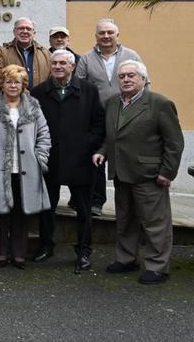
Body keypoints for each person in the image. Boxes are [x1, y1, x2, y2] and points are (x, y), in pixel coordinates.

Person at [93, 60, 183, 285]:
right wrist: (103, 151)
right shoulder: (113, 102)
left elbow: (174, 142)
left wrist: (168, 172)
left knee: (155, 222)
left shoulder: (159, 103)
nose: (125, 79)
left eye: (131, 76)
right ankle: (126, 258)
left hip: (149, 174)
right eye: (122, 76)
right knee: (125, 219)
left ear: (143, 79)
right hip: (121, 172)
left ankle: (157, 266)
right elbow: (112, 134)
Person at [31, 50, 105, 273]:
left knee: (83, 210)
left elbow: (99, 124)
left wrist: (85, 144)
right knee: (46, 207)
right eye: (54, 63)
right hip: (49, 159)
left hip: (81, 160)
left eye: (63, 62)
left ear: (72, 66)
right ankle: (46, 245)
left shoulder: (89, 91)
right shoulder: (38, 92)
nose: (58, 66)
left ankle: (83, 250)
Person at [0, 65, 51, 270]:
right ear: (1, 84)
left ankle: (19, 254)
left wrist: (40, 157)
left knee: (21, 212)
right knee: (1, 213)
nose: (12, 85)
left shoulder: (33, 106)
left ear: (23, 85)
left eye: (17, 82)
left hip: (27, 169)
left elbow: (44, 134)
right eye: (8, 81)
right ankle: (0, 253)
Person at [76, 18, 142, 216]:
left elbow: (144, 84)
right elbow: (79, 88)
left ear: (117, 35)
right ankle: (96, 202)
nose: (106, 36)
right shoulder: (86, 59)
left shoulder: (132, 56)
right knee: (96, 161)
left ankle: (131, 203)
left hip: (127, 116)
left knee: (126, 159)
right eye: (101, 33)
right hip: (97, 119)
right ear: (95, 36)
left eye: (110, 32)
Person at [0, 17, 51, 89]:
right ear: (14, 32)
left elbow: (53, 77)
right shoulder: (2, 53)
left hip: (40, 98)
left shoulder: (46, 54)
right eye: (21, 28)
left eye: (28, 29)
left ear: (33, 33)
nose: (25, 31)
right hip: (13, 98)